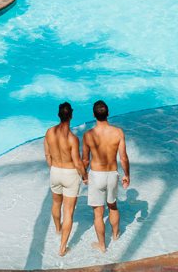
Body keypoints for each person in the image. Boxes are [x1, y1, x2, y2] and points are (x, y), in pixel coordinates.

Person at [82, 100, 130, 252]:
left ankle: (102, 246)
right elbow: (123, 157)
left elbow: (85, 159)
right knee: (113, 206)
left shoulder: (88, 135)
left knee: (98, 213)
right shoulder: (118, 132)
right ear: (108, 113)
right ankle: (115, 235)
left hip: (96, 175)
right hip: (112, 174)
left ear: (93, 115)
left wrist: (84, 175)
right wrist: (127, 175)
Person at [44, 102, 86, 256]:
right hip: (70, 174)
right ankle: (62, 248)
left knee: (56, 203)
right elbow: (77, 162)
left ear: (58, 115)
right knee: (68, 211)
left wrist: (53, 168)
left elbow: (47, 155)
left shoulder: (49, 132)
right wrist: (85, 176)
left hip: (55, 171)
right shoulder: (72, 138)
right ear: (71, 116)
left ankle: (57, 229)